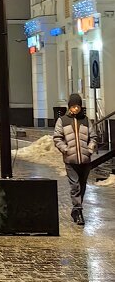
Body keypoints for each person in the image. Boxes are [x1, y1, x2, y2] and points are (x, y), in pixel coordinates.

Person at [53, 93, 97, 225]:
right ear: (69, 107)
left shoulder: (86, 120)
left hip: (85, 161)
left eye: (77, 106)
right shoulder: (62, 120)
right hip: (70, 161)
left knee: (82, 186)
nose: (75, 109)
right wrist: (65, 149)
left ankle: (76, 209)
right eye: (73, 106)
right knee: (75, 186)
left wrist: (89, 150)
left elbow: (93, 137)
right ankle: (78, 211)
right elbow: (57, 138)